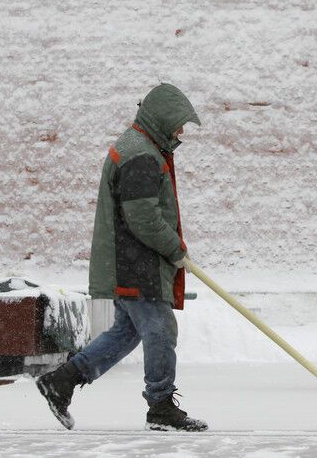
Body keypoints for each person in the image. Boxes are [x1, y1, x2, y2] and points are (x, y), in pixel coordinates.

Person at [36, 83, 207, 431]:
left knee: (126, 333)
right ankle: (160, 408)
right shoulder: (141, 154)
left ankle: (62, 381)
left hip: (129, 261)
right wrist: (175, 249)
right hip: (137, 264)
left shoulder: (140, 146)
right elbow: (142, 218)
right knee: (160, 331)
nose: (181, 132)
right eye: (178, 124)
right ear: (161, 120)